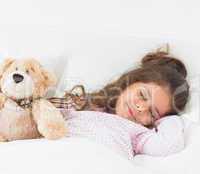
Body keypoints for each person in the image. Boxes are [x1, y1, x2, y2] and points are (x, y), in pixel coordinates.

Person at [59, 46, 190, 158]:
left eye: (152, 112)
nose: (141, 108)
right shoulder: (80, 103)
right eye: (142, 95)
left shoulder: (138, 134)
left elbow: (167, 145)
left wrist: (172, 118)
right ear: (131, 82)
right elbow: (43, 113)